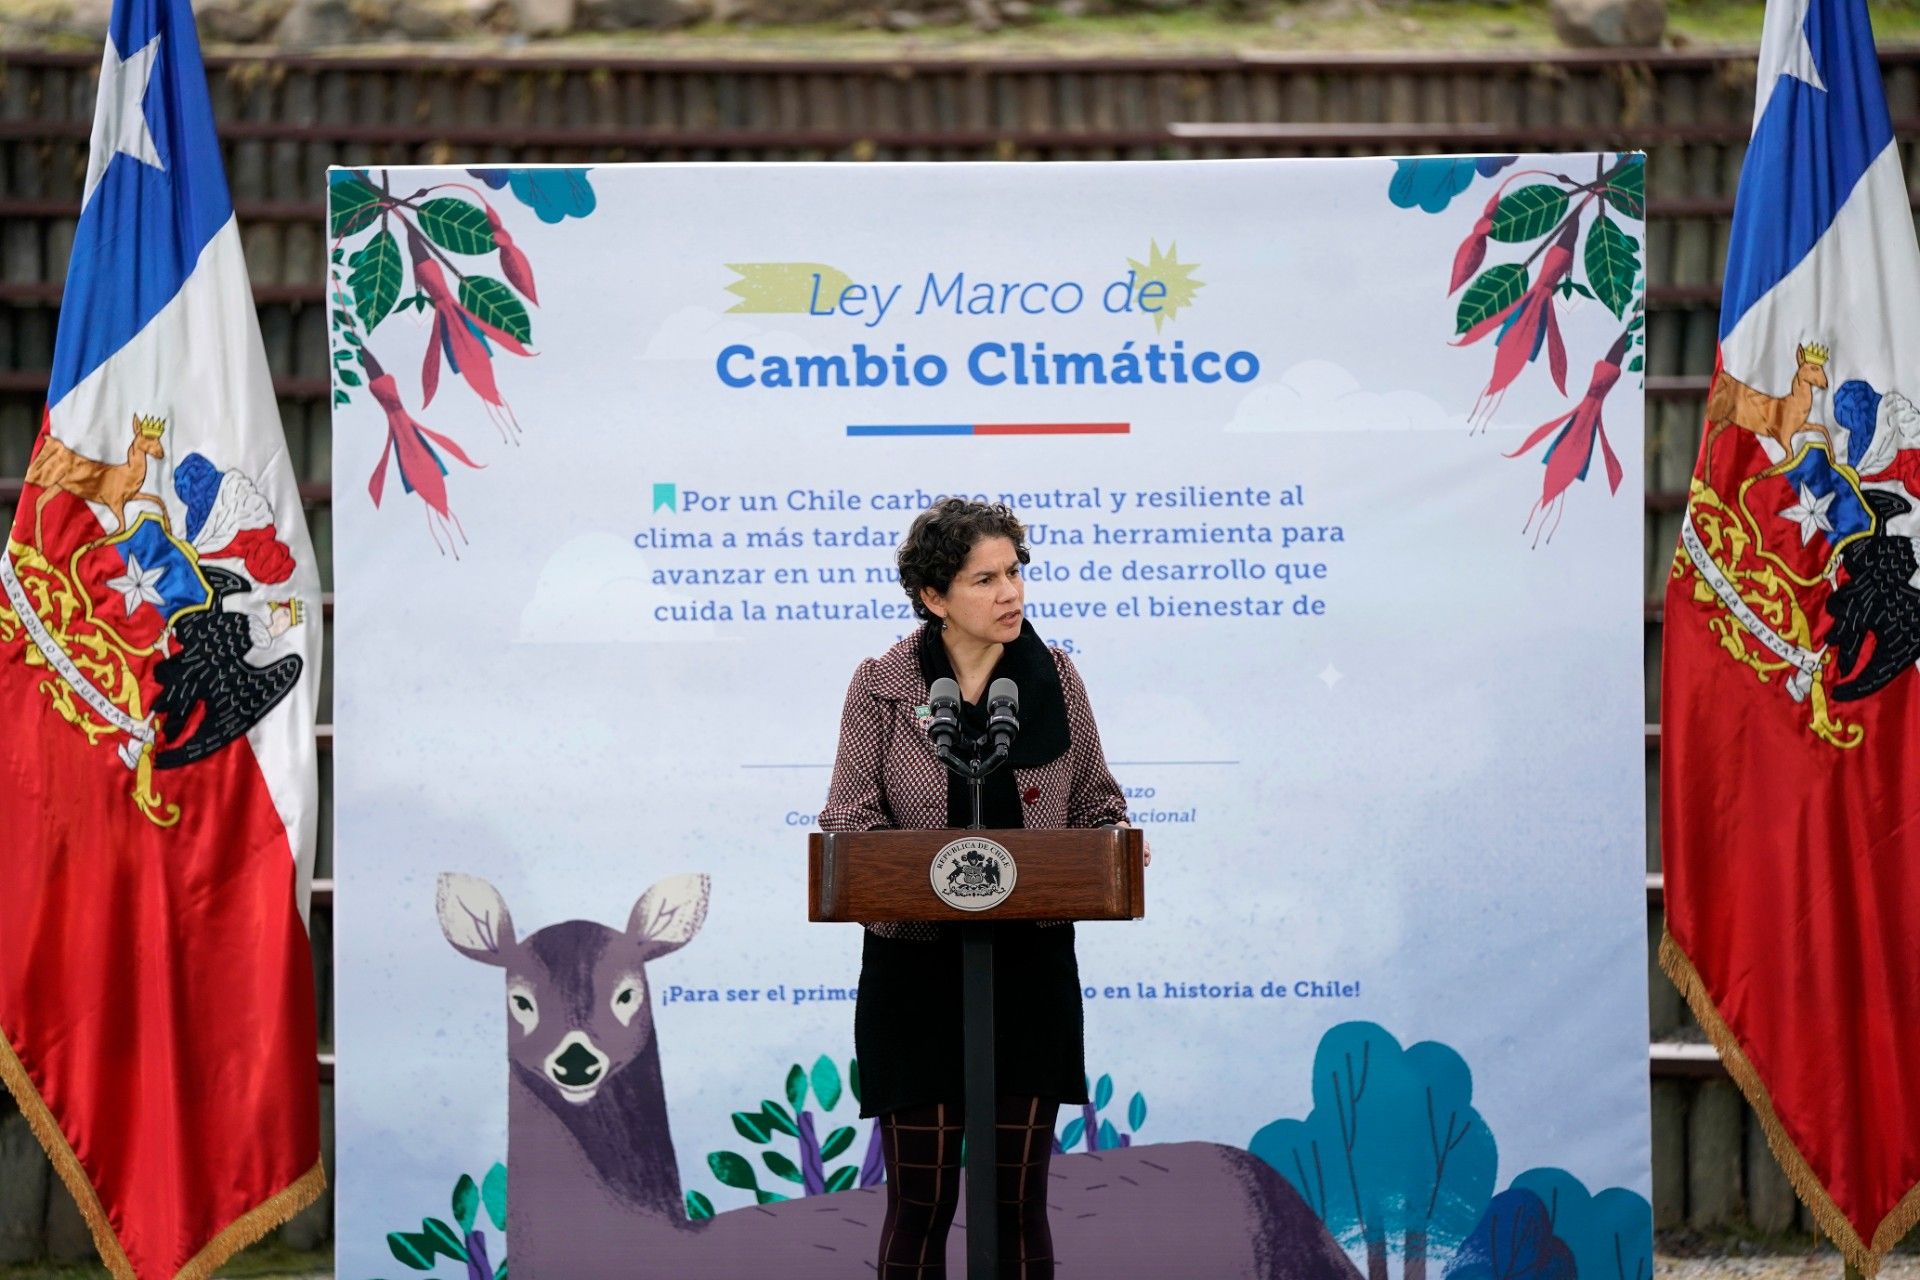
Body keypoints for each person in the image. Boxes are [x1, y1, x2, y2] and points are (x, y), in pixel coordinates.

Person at [818, 497, 1143, 1280]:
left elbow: (1099, 802)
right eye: (986, 578)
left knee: (1014, 1205)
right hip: (915, 980)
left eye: (1016, 571)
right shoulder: (882, 687)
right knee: (921, 1206)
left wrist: (1111, 846)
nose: (1012, 594)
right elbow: (847, 825)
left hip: (1027, 976)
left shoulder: (1055, 677)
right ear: (934, 597)